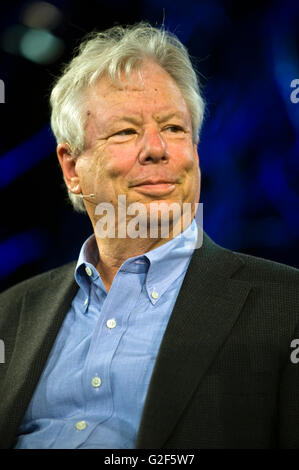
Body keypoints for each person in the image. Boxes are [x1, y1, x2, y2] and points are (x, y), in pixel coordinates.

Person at [0, 22, 299, 450]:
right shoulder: (10, 315)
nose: (157, 148)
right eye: (126, 131)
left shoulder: (287, 306)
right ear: (71, 170)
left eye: (175, 129)